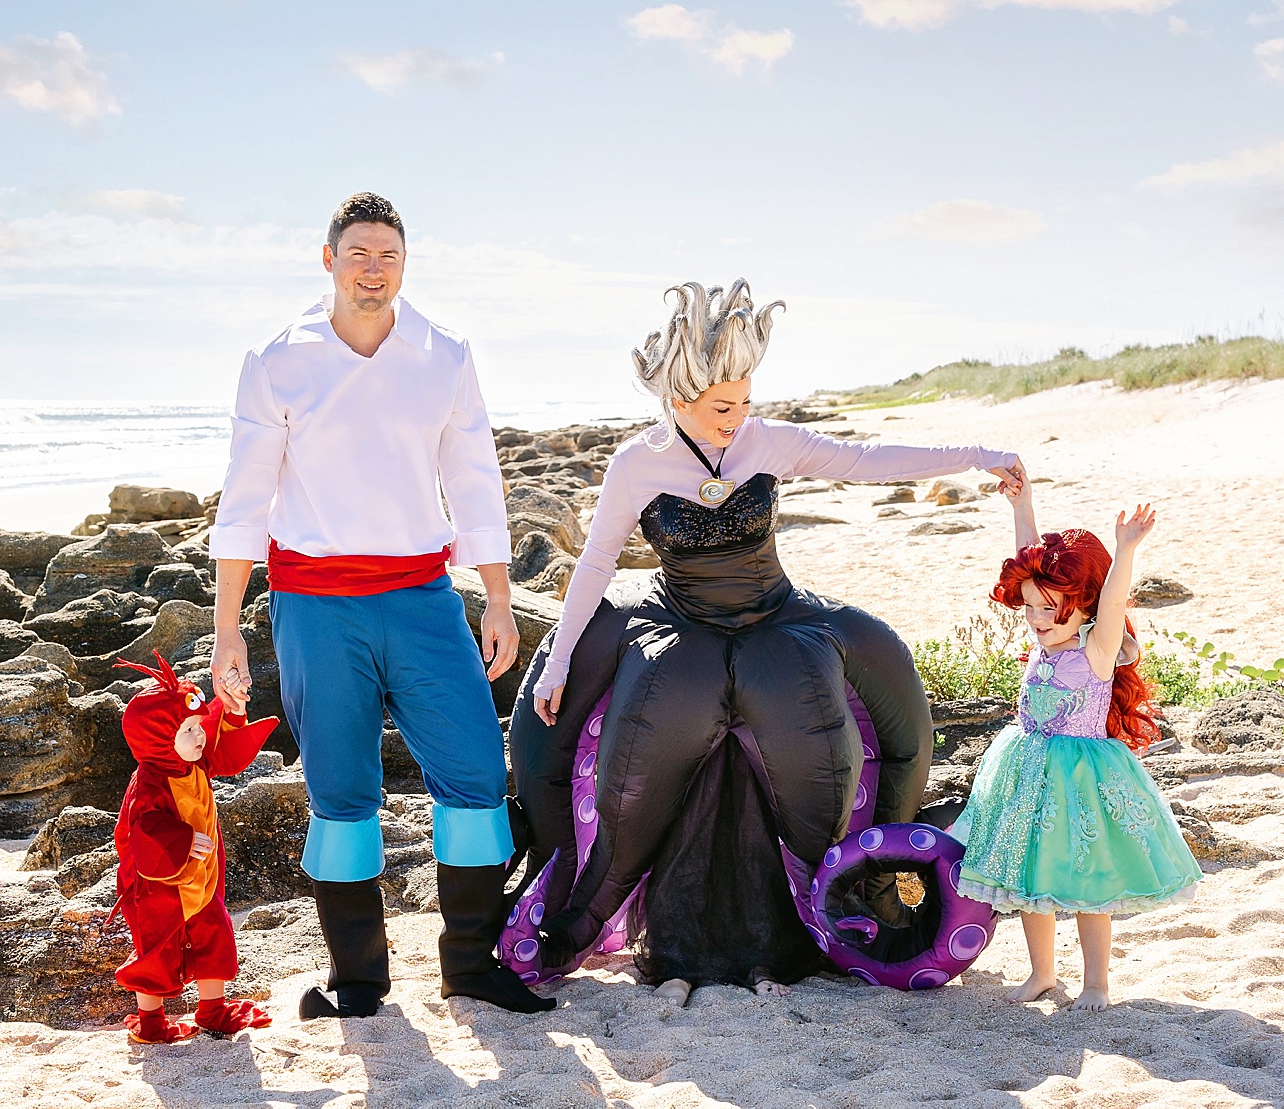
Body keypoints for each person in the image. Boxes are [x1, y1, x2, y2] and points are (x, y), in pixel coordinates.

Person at [512, 280, 1026, 1004]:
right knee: (639, 744)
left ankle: (846, 899)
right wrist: (560, 659)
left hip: (777, 615)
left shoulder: (767, 441)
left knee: (879, 687)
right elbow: (596, 562)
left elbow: (865, 459)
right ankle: (584, 912)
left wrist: (975, 455)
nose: (739, 418)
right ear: (678, 400)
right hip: (678, 621)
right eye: (724, 406)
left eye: (746, 401)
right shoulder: (637, 462)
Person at [208, 192, 554, 1017]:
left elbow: (474, 478)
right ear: (327, 259)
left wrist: (499, 598)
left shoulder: (444, 353)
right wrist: (227, 629)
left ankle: (470, 965)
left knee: (474, 771)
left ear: (405, 264)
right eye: (359, 252)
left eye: (389, 255)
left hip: (422, 599)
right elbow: (246, 496)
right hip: (314, 603)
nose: (374, 268)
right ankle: (357, 981)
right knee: (340, 790)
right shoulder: (277, 358)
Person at [949, 480, 1202, 1011]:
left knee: (1092, 882)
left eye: (1051, 610)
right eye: (1031, 609)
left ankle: (1096, 984)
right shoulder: (1045, 636)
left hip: (1081, 776)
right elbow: (1031, 564)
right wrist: (1023, 506)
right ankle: (1042, 973)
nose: (1038, 619)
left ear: (1081, 607)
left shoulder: (1097, 650)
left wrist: (1126, 549)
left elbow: (1110, 599)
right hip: (1026, 767)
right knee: (1028, 876)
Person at [108, 653, 279, 1043]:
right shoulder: (149, 781)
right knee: (156, 946)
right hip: (160, 885)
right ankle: (150, 1020)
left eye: (196, 726)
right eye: (187, 731)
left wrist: (231, 710)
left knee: (214, 935)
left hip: (201, 879)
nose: (199, 736)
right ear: (159, 740)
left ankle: (212, 1009)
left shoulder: (194, 763)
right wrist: (182, 841)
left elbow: (222, 747)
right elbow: (142, 828)